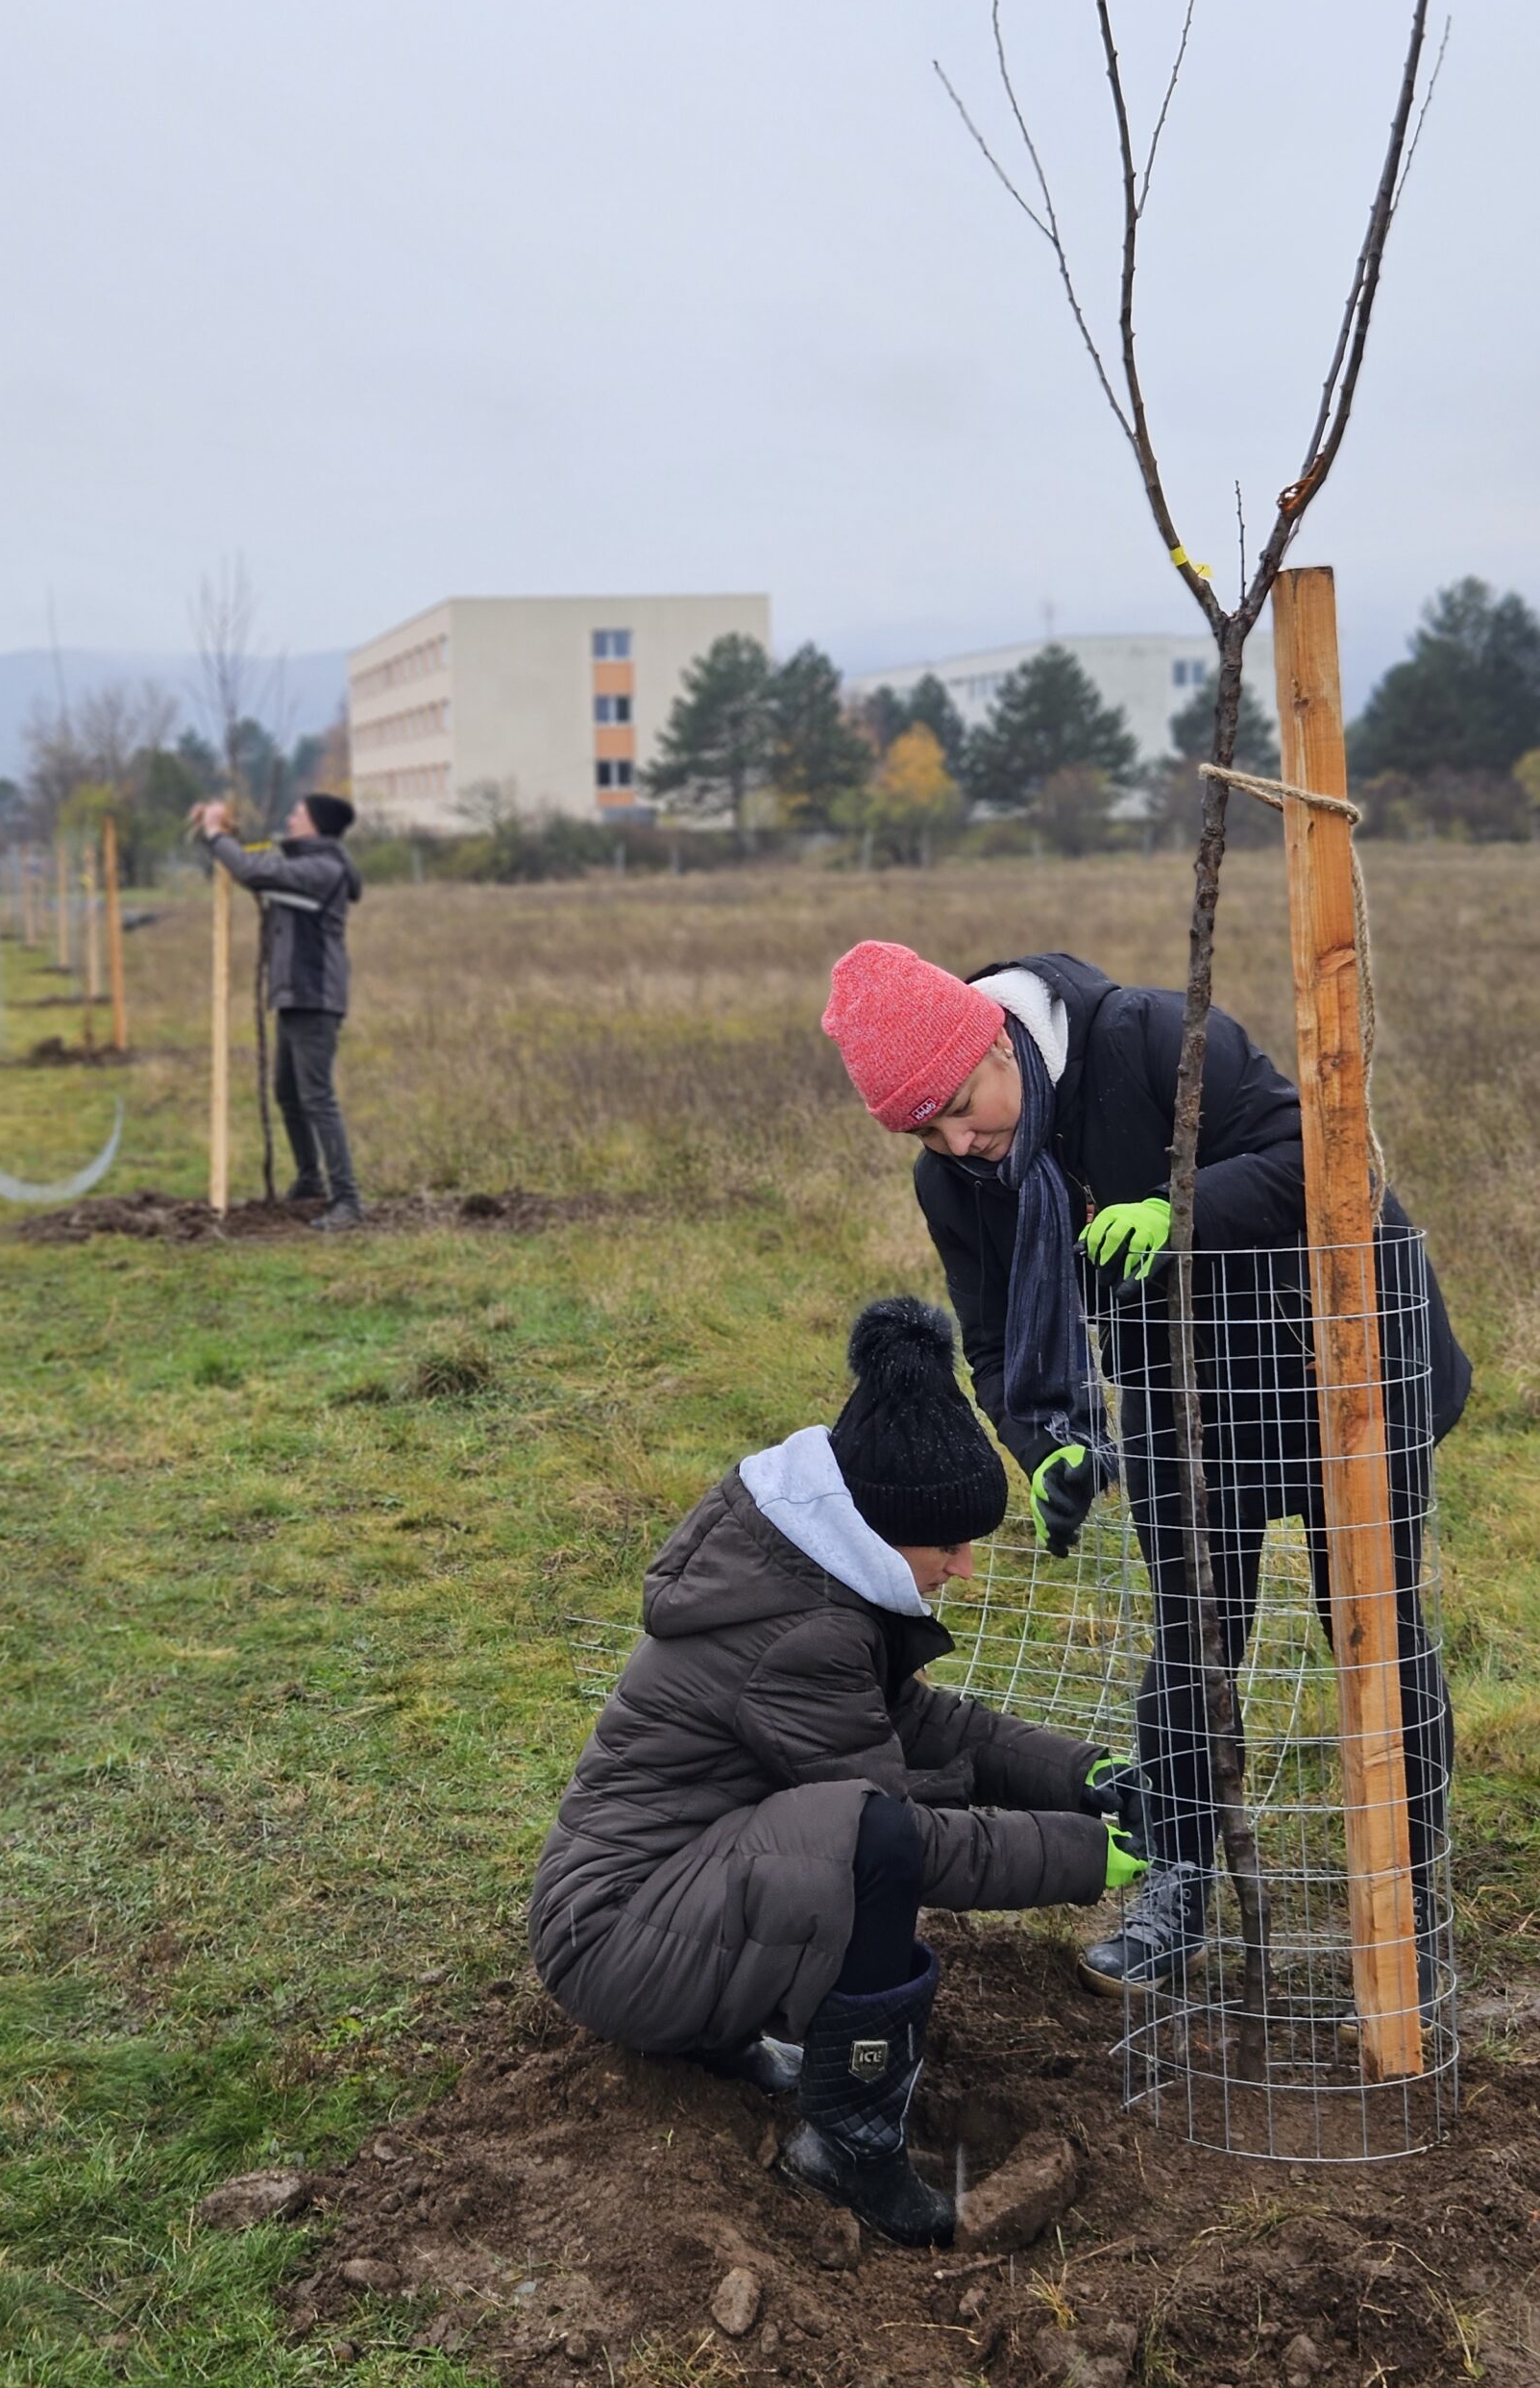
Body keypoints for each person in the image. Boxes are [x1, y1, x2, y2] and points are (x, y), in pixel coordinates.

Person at [821, 942, 1470, 1998]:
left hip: (1340, 1362)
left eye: (956, 1104)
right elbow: (994, 1339)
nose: (957, 1139)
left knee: (1373, 1629)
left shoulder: (1147, 1039)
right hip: (1183, 1394)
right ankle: (1179, 1883)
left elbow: (1328, 1153)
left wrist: (1184, 1210)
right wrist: (1048, 1446)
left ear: (994, 1039)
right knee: (1191, 1644)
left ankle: (1407, 1894)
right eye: (921, 1128)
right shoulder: (956, 1176)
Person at [529, 1297, 1147, 2247]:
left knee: (848, 1830)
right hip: (616, 1944)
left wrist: (1079, 1774)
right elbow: (902, 1836)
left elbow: (918, 1723)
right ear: (885, 1528)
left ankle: (728, 2040)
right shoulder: (803, 1631)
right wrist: (1082, 1854)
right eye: (949, 1545)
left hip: (651, 1906)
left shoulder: (806, 1575)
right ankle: (850, 2148)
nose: (966, 1567)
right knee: (866, 1843)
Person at [192, 792, 365, 1230]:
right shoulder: (303, 863)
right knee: (288, 1093)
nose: (289, 818)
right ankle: (309, 1181)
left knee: (317, 1097)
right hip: (293, 995)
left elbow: (255, 871)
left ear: (316, 825)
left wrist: (215, 833)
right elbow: (257, 865)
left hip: (314, 997)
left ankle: (346, 1201)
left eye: (297, 813)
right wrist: (220, 835)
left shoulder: (323, 870)